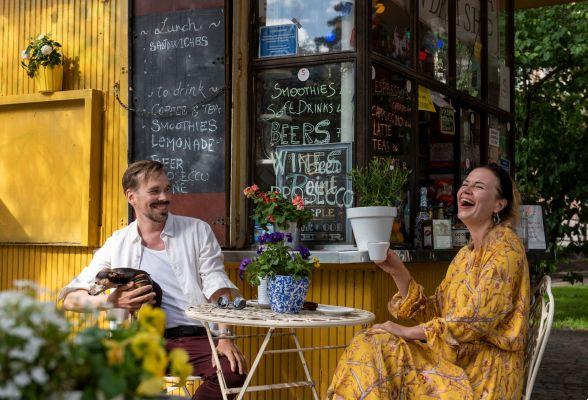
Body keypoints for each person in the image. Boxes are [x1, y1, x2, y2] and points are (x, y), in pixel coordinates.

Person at [327, 163, 530, 400]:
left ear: (499, 204)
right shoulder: (466, 255)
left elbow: (477, 319)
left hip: (482, 374)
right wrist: (398, 273)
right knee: (370, 342)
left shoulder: (506, 247)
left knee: (380, 346)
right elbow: (436, 313)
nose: (466, 190)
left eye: (478, 186)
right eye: (465, 184)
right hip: (451, 360)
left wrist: (406, 331)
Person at [59, 160, 247, 400]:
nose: (164, 197)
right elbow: (70, 298)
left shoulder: (197, 230)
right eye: (155, 191)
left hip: (197, 337)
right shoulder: (117, 242)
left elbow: (217, 284)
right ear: (131, 197)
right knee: (107, 377)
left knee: (232, 373)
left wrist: (225, 336)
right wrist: (111, 302)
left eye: (167, 189)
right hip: (142, 342)